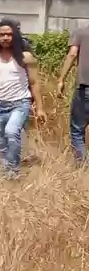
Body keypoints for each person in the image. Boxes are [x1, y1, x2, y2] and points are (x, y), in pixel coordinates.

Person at [0, 19, 46, 179]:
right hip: (0, 105)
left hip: (20, 103)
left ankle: (13, 171)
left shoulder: (25, 56)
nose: (5, 37)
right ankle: (6, 171)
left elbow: (34, 83)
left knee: (11, 131)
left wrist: (40, 108)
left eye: (9, 34)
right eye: (2, 34)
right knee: (1, 142)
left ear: (15, 35)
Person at [55, 25, 89, 166]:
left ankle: (83, 167)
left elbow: (72, 54)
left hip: (85, 89)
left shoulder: (81, 32)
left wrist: (61, 79)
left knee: (77, 130)